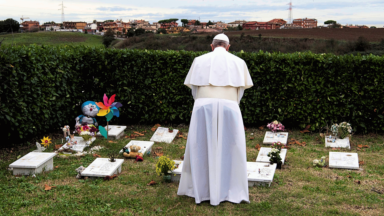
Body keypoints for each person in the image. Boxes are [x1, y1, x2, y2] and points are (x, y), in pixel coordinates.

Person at [177, 33, 253, 206]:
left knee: (200, 145)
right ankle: (230, 188)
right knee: (231, 146)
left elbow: (194, 91)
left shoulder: (198, 60)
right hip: (230, 107)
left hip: (202, 106)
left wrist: (204, 102)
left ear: (211, 46)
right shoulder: (239, 62)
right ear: (228, 46)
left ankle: (200, 190)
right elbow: (239, 92)